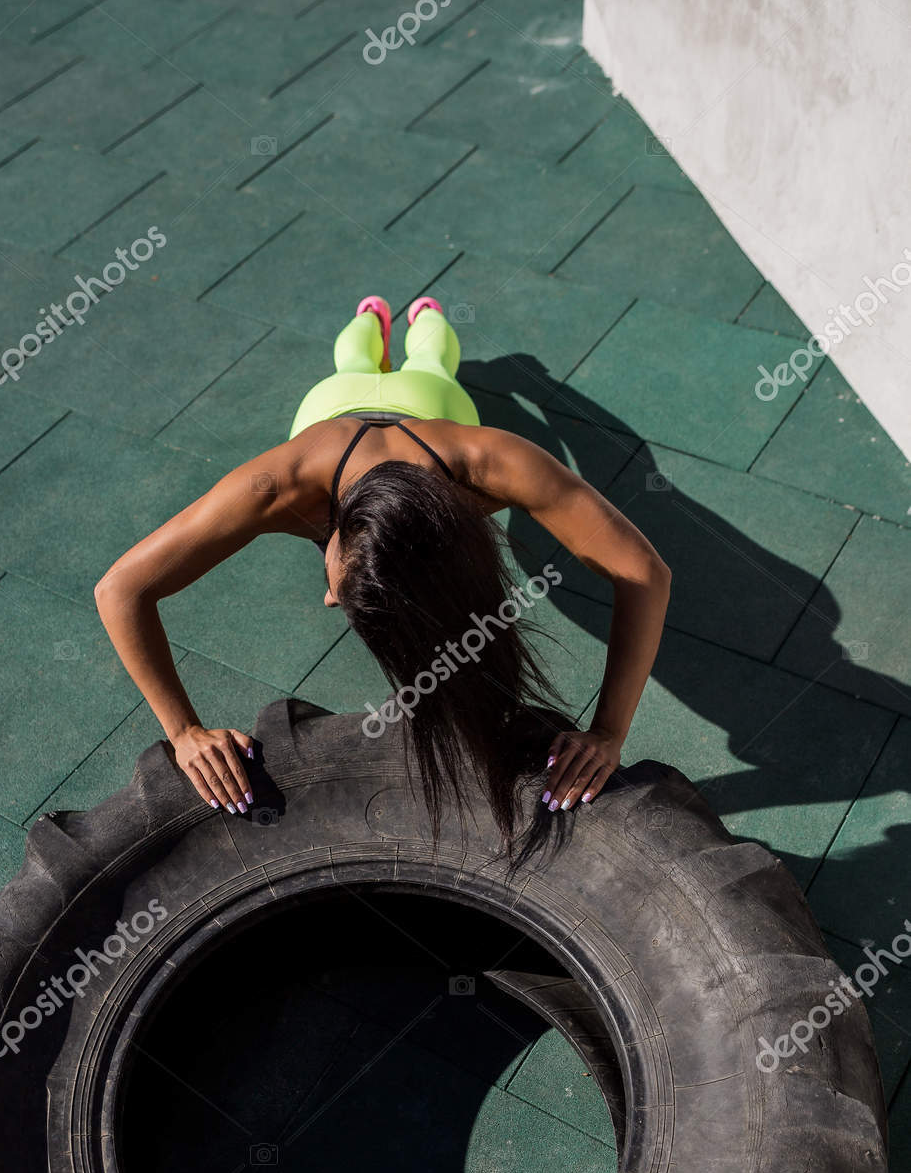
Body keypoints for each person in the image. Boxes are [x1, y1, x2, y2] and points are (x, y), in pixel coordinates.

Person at [95, 295, 670, 846]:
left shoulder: (490, 463)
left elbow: (646, 572)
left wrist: (608, 733)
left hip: (432, 400)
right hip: (334, 400)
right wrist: (184, 734)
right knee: (352, 362)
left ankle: (426, 317)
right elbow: (119, 590)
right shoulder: (277, 486)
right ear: (336, 533)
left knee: (431, 363)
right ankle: (371, 316)